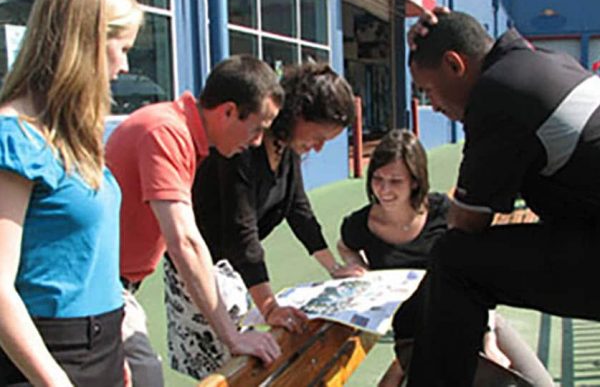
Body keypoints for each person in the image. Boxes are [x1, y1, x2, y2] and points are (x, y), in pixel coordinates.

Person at [404, 10, 600, 386]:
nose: (435, 105)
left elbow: (467, 222)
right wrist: (450, 28)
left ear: (454, 64)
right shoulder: (540, 62)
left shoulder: (497, 92)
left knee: (454, 260)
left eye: (428, 90)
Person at [162, 62, 366, 379]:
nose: (318, 147)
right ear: (297, 115)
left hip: (232, 271)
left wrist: (334, 267)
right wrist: (269, 307)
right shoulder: (243, 144)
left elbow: (298, 208)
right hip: (199, 269)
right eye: (318, 136)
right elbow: (241, 232)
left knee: (249, 358)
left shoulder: (286, 147)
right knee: (228, 368)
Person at [105, 55, 284, 386]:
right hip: (97, 284)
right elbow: (184, 241)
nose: (258, 141)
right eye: (257, 128)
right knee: (145, 375)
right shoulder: (166, 133)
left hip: (117, 283)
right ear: (228, 111)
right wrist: (232, 337)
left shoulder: (182, 133)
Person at [0, 0, 143, 385]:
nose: (125, 67)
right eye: (122, 48)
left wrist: (111, 350)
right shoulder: (15, 138)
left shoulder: (73, 136)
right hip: (44, 357)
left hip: (100, 346)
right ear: (88, 42)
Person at [337, 129, 554, 387]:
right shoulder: (361, 224)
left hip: (474, 322)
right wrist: (359, 267)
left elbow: (478, 274)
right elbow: (345, 246)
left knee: (541, 383)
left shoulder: (442, 212)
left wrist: (489, 340)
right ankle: (402, 368)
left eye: (395, 181)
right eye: (378, 178)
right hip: (416, 337)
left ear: (415, 181)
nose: (384, 189)